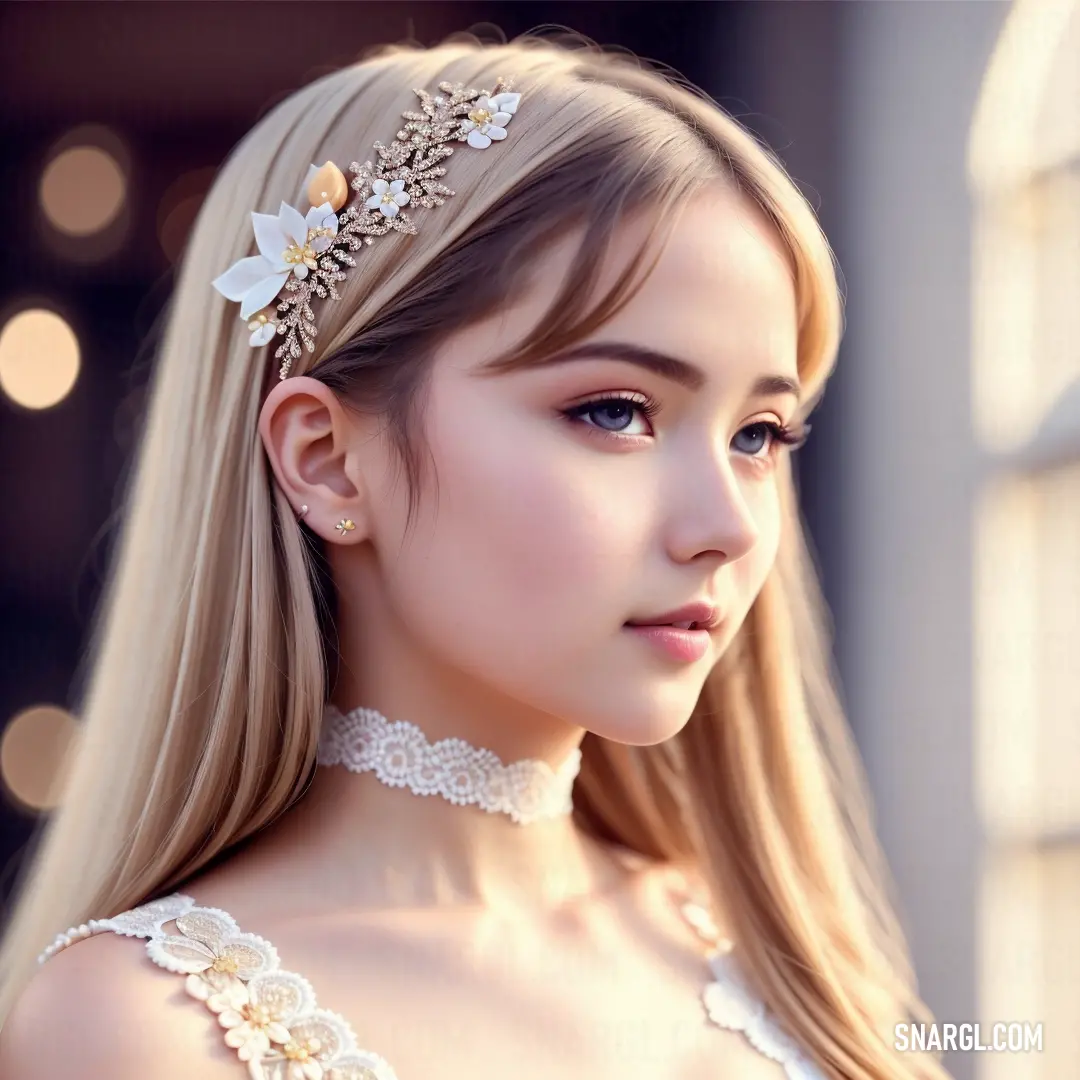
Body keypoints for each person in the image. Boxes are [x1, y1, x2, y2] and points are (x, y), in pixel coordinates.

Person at [0, 31, 948, 1080]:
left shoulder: (782, 959)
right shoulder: (143, 1031)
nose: (726, 523)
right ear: (326, 460)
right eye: (615, 410)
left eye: (759, 434)